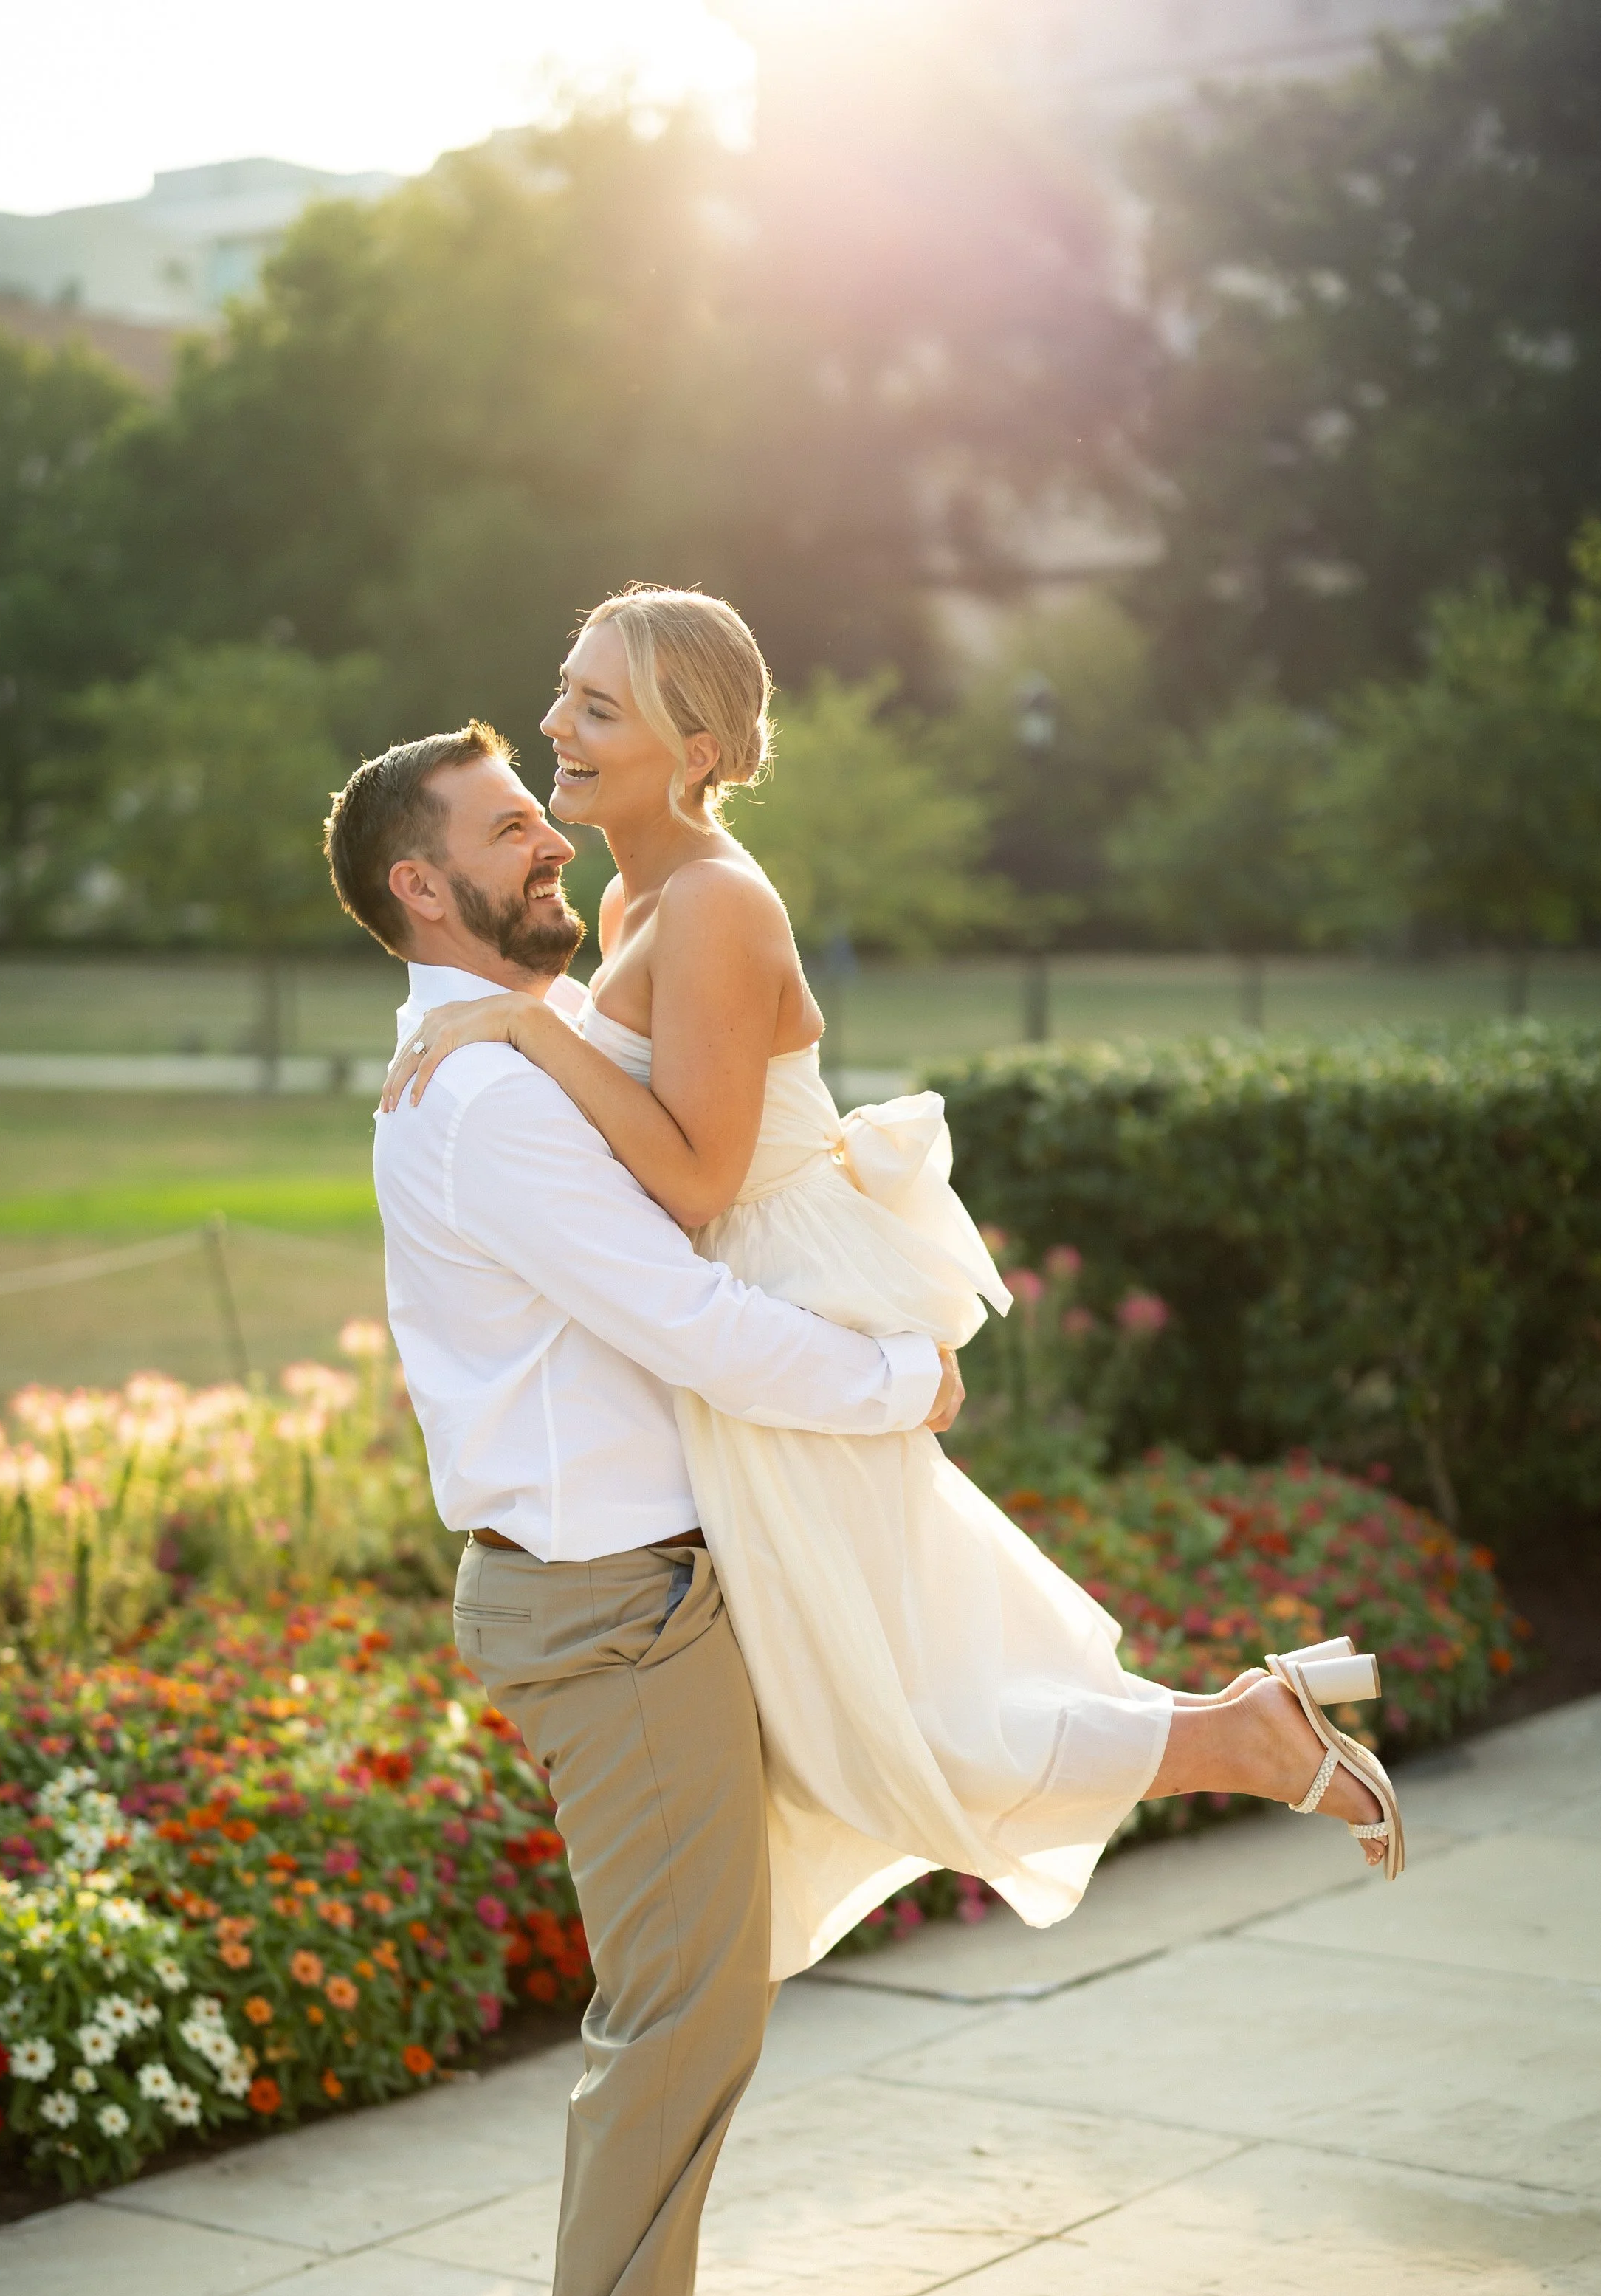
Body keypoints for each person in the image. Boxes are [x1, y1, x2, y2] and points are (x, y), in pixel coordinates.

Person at [328, 690, 1398, 2296]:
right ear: (421, 883)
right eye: (506, 831)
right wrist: (903, 1374)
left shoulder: (519, 1048)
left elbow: (714, 1154)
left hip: (686, 1567)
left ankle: (1239, 1729)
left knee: (928, 1739)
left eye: (539, 808)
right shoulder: (478, 1096)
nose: (547, 843)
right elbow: (681, 1311)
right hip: (611, 1601)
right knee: (682, 2026)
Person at [376, 586, 1402, 1979]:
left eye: (597, 705)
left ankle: (1244, 1739)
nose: (558, 721)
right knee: (875, 1708)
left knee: (888, 1718)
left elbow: (693, 1185)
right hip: (746, 1320)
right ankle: (1241, 1731)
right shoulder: (630, 894)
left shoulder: (721, 903)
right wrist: (527, 1023)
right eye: (567, 688)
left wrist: (529, 1032)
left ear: (693, 748)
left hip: (790, 1299)